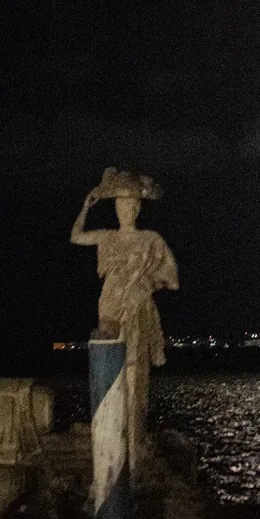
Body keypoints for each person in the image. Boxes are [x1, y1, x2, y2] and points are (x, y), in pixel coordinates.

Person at [71, 168, 178, 470]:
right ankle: (110, 444)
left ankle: (133, 442)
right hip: (110, 307)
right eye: (120, 205)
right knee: (108, 370)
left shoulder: (150, 240)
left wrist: (147, 284)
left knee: (134, 375)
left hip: (136, 309)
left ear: (138, 208)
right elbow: (76, 236)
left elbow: (170, 276)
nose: (125, 211)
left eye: (130, 206)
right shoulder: (107, 236)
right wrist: (86, 205)